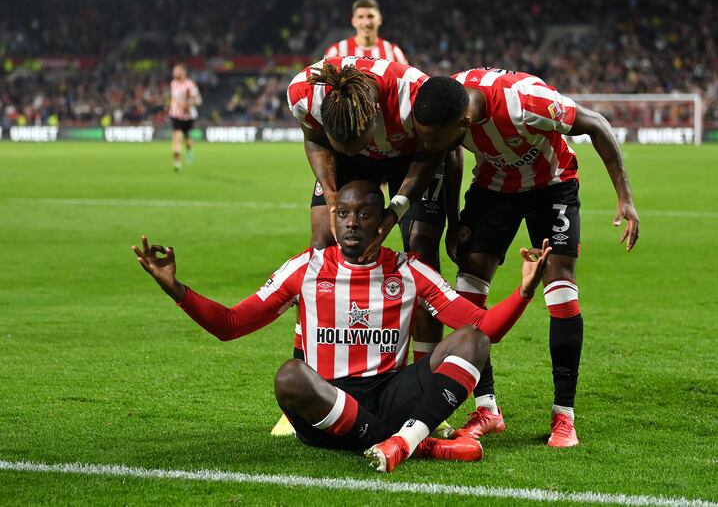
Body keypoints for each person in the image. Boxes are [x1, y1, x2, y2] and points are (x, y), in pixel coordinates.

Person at [132, 180, 551, 473]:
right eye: (344, 213)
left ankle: (402, 443)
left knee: (472, 342)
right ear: (333, 219)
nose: (352, 222)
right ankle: (416, 441)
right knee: (290, 377)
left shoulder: (408, 270)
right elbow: (231, 323)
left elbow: (484, 327)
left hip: (390, 393)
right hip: (328, 405)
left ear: (382, 222)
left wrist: (525, 291)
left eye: (364, 214)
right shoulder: (306, 268)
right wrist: (176, 288)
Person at [411, 69, 641, 447]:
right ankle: (486, 410)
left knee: (561, 290)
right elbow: (448, 158)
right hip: (492, 188)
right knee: (466, 291)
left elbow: (596, 124)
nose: (431, 145)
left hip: (551, 186)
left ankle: (563, 417)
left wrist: (625, 196)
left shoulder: (524, 101)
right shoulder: (444, 98)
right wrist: (453, 222)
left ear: (464, 122)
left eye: (438, 139)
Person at [277, 57, 463, 437]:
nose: (361, 150)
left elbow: (434, 152)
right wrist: (331, 197)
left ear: (374, 117)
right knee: (320, 247)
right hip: (345, 161)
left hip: (411, 156)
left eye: (361, 142)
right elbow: (314, 139)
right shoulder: (303, 93)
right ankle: (311, 383)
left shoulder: (413, 94)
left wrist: (395, 212)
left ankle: (426, 392)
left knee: (422, 247)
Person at [323, 0, 408, 64]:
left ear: (380, 19)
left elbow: (409, 83)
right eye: (360, 17)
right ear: (353, 21)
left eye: (370, 16)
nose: (366, 22)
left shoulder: (393, 52)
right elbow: (322, 84)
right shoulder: (336, 52)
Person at [168, 63, 202, 172]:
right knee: (176, 137)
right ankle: (177, 162)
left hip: (188, 116)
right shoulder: (173, 83)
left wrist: (188, 104)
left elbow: (198, 100)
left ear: (183, 72)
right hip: (175, 115)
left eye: (176, 70)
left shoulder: (190, 84)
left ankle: (189, 151)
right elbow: (174, 98)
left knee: (187, 139)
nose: (174, 73)